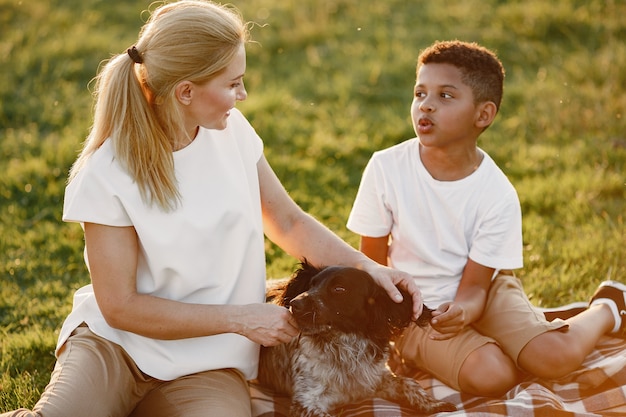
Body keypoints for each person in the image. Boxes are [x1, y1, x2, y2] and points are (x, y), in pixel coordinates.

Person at [0, 2, 424, 416]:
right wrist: (241, 319)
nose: (243, 94)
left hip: (207, 364)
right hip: (117, 349)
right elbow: (120, 307)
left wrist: (370, 269)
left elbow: (289, 221)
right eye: (233, 83)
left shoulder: (232, 132)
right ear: (186, 92)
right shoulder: (106, 172)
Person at [347, 40, 626, 398]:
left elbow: (476, 286)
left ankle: (607, 306)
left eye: (445, 95)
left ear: (483, 115)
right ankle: (501, 342)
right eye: (420, 93)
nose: (426, 104)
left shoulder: (497, 193)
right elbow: (372, 266)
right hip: (415, 310)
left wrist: (463, 312)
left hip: (483, 291)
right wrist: (387, 333)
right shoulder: (385, 168)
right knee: (494, 375)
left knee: (554, 359)